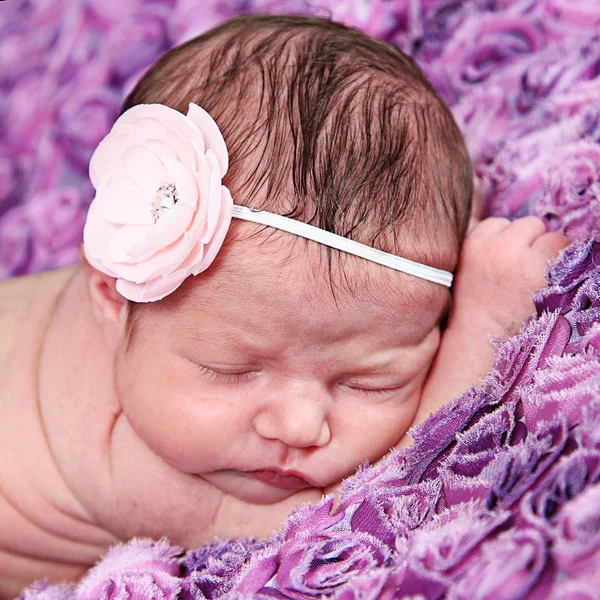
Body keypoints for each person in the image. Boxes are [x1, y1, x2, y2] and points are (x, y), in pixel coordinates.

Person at [0, 14, 568, 597]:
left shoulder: (208, 321)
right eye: (233, 369)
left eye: (368, 381)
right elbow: (347, 518)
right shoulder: (128, 462)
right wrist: (484, 328)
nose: (299, 426)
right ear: (112, 298)